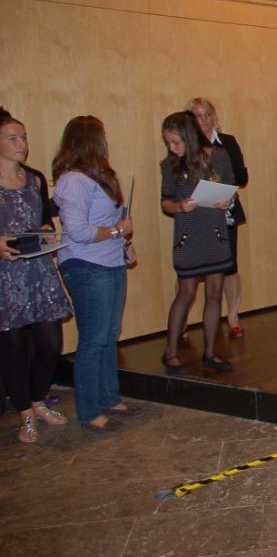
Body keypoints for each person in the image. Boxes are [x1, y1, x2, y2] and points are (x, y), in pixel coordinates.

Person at [53, 115, 140, 434]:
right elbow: (77, 231)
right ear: (91, 140)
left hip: (110, 261)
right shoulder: (73, 180)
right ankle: (89, 410)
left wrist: (124, 241)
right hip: (87, 265)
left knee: (109, 333)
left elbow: (113, 220)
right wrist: (119, 229)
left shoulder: (101, 175)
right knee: (93, 339)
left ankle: (109, 397)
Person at [0, 107, 73, 443]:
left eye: (24, 136)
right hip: (5, 275)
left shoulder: (36, 178)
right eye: (12, 138)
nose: (21, 143)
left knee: (50, 344)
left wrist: (46, 230)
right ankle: (25, 414)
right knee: (13, 347)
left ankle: (37, 399)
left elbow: (45, 220)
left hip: (39, 270)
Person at [159, 112, 236, 374]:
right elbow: (165, 202)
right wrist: (179, 206)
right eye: (168, 143)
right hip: (189, 235)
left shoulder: (219, 157)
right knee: (186, 292)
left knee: (214, 293)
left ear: (190, 137)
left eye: (176, 142)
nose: (172, 148)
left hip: (215, 233)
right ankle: (170, 350)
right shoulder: (170, 165)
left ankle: (211, 351)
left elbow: (229, 190)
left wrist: (228, 201)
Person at [186, 97, 249, 339]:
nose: (203, 120)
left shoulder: (228, 142)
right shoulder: (186, 144)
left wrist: (223, 187)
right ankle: (183, 320)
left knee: (230, 265)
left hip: (225, 209)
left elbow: (241, 176)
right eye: (198, 116)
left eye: (207, 115)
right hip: (196, 212)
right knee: (191, 269)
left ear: (214, 117)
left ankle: (233, 315)